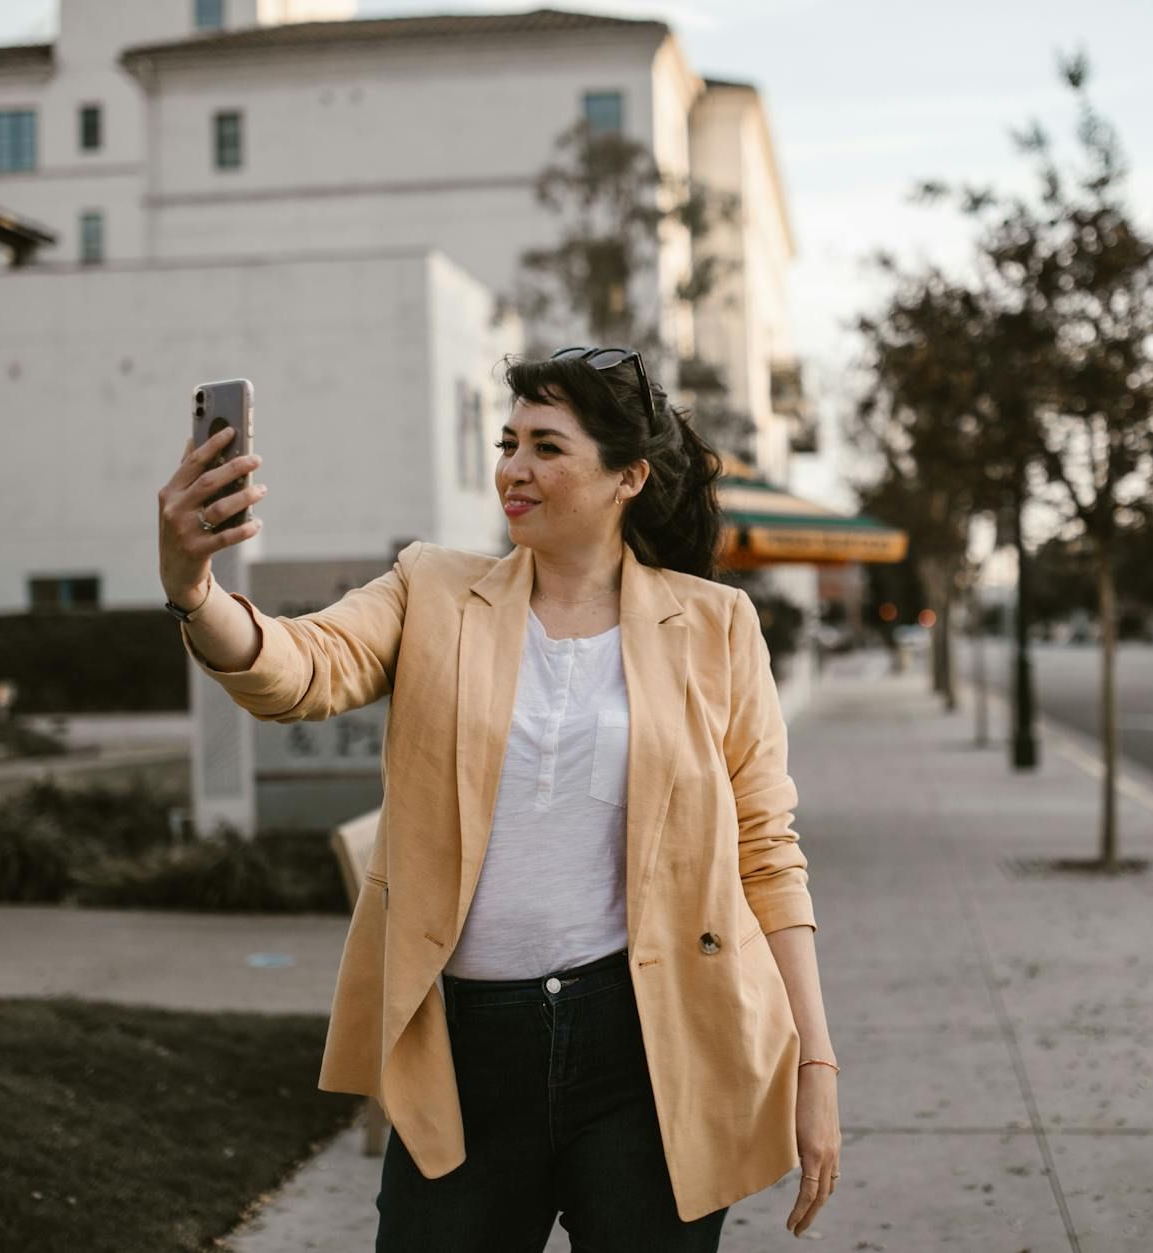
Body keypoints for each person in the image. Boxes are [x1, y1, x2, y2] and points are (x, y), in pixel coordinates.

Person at [156, 348, 842, 1250]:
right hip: (465, 1053)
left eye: (547, 447)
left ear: (627, 475)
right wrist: (191, 588)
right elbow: (303, 669)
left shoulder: (716, 624)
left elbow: (766, 848)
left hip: (648, 1047)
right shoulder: (432, 589)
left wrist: (815, 1062)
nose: (513, 468)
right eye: (508, 441)